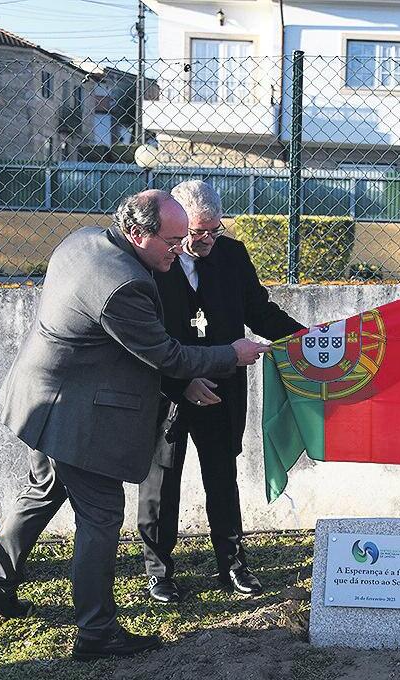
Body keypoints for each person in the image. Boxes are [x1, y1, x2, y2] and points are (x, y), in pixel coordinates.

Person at [0, 190, 270, 661]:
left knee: (43, 492)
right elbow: (165, 354)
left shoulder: (83, 241)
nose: (180, 250)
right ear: (137, 233)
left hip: (39, 397)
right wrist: (232, 353)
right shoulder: (126, 284)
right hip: (74, 416)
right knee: (101, 519)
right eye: (173, 241)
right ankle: (97, 632)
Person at [138, 181, 304, 604]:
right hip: (169, 389)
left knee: (222, 476)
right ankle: (159, 571)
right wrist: (183, 382)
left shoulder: (232, 255)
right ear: (178, 225)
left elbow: (259, 311)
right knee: (161, 481)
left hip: (221, 388)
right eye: (197, 233)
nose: (208, 240)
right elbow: (147, 337)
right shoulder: (153, 262)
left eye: (215, 230)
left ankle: (232, 563)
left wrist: (307, 338)